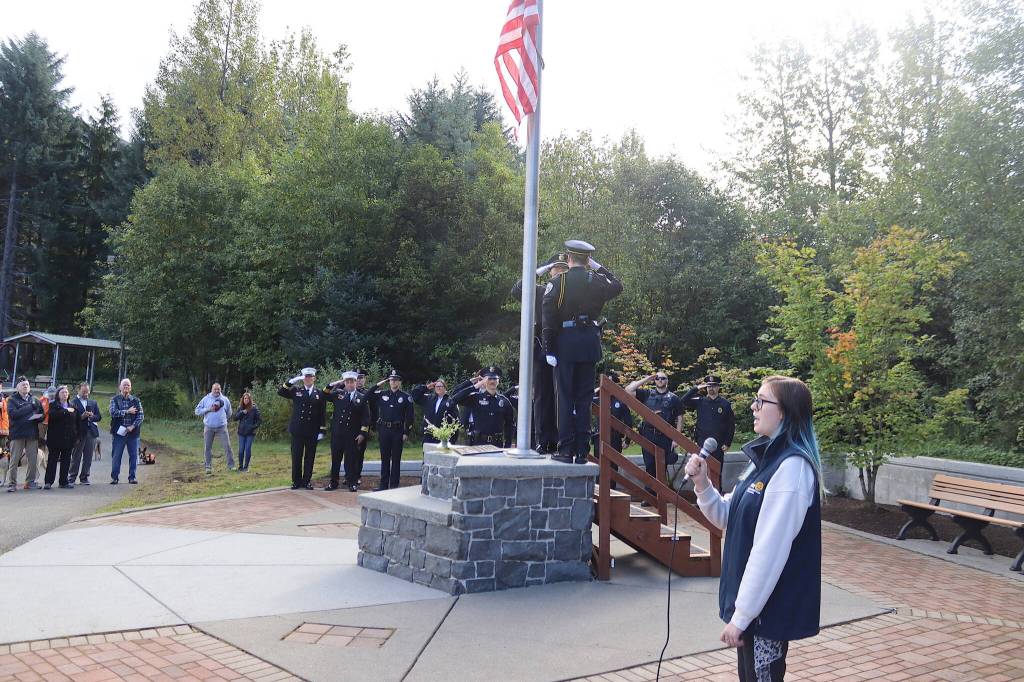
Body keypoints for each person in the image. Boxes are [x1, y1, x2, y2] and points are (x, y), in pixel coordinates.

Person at [684, 376, 823, 682]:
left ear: (784, 411)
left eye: (761, 401)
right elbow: (727, 516)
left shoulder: (792, 469)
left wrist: (742, 615)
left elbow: (769, 550)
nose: (753, 406)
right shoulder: (764, 462)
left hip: (767, 613)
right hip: (753, 611)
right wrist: (702, 484)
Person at [541, 239, 623, 463]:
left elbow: (548, 317)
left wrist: (549, 348)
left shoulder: (559, 282)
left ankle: (566, 449)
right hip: (589, 345)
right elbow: (617, 285)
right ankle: (581, 451)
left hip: (566, 345)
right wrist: (598, 267)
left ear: (568, 259)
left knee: (566, 398)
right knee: (584, 399)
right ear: (588, 260)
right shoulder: (596, 280)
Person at [511, 252, 569, 453]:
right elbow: (517, 290)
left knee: (564, 394)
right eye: (556, 268)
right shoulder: (540, 291)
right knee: (543, 394)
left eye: (564, 269)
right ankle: (544, 439)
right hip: (543, 348)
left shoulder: (573, 292)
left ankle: (564, 440)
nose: (560, 272)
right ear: (549, 271)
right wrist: (539, 270)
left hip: (567, 347)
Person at [626, 371, 684, 486]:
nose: (660, 380)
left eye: (663, 378)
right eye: (657, 378)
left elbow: (680, 418)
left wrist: (676, 439)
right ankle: (650, 494)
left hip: (665, 436)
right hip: (648, 434)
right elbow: (628, 390)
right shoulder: (647, 394)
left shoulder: (674, 398)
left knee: (662, 466)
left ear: (667, 381)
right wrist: (647, 379)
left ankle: (660, 496)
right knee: (649, 465)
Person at [278, 367, 327, 490]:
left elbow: (322, 413)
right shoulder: (296, 391)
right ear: (303, 378)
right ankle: (296, 481)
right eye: (306, 377)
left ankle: (307, 481)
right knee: (296, 457)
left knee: (310, 458)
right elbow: (281, 392)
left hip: (312, 431)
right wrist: (292, 381)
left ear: (314, 378)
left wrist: (322, 430)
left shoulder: (319, 393)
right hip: (298, 430)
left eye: (310, 377)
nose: (308, 379)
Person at [324, 371, 371, 491]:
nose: (350, 384)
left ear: (356, 382)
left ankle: (352, 483)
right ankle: (333, 483)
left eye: (352, 382)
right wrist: (333, 384)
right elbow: (324, 394)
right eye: (347, 382)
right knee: (335, 459)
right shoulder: (338, 394)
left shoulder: (361, 398)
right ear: (344, 383)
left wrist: (362, 433)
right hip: (338, 433)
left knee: (351, 460)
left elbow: (366, 418)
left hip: (352, 434)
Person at [367, 370, 413, 491]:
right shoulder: (382, 394)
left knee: (396, 459)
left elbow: (410, 417)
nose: (393, 382)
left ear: (399, 381)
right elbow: (368, 394)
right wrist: (379, 384)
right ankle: (383, 485)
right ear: (389, 381)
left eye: (396, 380)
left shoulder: (405, 397)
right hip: (384, 430)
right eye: (391, 380)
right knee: (384, 458)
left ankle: (394, 487)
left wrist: (406, 432)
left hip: (398, 431)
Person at [450, 367, 515, 448]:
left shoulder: (504, 401)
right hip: (478, 443)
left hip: (497, 445)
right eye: (489, 378)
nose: (492, 381)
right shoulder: (476, 398)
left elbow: (509, 425)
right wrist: (473, 384)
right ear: (484, 381)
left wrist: (508, 445)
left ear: (498, 381)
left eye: (495, 379)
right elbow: (454, 398)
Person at [681, 374, 735, 465]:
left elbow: (731, 425)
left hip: (718, 444)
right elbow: (683, 401)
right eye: (709, 386)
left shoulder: (725, 404)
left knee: (717, 473)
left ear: (718, 387)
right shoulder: (700, 401)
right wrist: (696, 388)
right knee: (702, 470)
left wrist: (727, 443)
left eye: (713, 385)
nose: (711, 388)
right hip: (702, 443)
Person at [592, 370, 633, 485]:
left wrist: (627, 440)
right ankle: (599, 492)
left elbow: (628, 422)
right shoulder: (597, 399)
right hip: (598, 437)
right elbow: (585, 399)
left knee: (613, 467)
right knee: (598, 466)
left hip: (615, 437)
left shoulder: (620, 401)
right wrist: (598, 390)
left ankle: (612, 493)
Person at [6, 379, 44, 491]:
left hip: (32, 434)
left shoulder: (35, 400)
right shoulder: (12, 400)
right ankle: (12, 484)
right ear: (18, 387)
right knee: (14, 460)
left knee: (33, 460)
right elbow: (13, 414)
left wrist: (39, 417)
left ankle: (30, 482)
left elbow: (41, 413)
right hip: (17, 434)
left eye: (27, 385)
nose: (25, 386)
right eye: (23, 385)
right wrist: (30, 407)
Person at [110, 378, 144, 485]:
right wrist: (127, 411)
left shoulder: (136, 400)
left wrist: (133, 426)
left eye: (128, 385)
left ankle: (132, 477)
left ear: (131, 388)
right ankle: (115, 477)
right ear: (120, 387)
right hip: (119, 433)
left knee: (134, 456)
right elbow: (113, 412)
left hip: (132, 433)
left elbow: (141, 416)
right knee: (116, 455)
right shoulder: (115, 399)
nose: (126, 387)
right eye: (124, 385)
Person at [195, 383, 234, 475]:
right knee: (207, 447)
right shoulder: (206, 399)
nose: (217, 391)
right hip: (209, 427)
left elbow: (229, 413)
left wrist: (223, 420)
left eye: (218, 389)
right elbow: (197, 411)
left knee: (227, 446)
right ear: (212, 389)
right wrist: (208, 409)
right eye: (215, 389)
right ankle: (208, 467)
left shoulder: (225, 399)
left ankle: (231, 466)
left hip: (222, 427)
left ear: (220, 390)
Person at [43, 385, 78, 489]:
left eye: (66, 392)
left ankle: (63, 482)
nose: (65, 394)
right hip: (55, 438)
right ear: (58, 394)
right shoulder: (53, 405)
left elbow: (77, 421)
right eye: (62, 392)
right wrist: (65, 411)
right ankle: (48, 482)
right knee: (52, 461)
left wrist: (76, 435)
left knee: (66, 461)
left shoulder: (73, 405)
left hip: (68, 438)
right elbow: (52, 416)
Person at [410, 377, 461, 444]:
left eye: (440, 386)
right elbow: (415, 395)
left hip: (443, 435)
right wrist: (426, 387)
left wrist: (453, 439)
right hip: (428, 435)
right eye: (436, 386)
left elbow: (455, 421)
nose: (438, 388)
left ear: (445, 388)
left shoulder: (450, 401)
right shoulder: (429, 398)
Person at [68, 382, 101, 486]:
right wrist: (81, 417)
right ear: (78, 390)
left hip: (91, 433)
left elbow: (99, 417)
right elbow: (70, 418)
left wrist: (91, 416)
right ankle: (72, 477)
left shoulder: (93, 402)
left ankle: (84, 477)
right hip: (78, 433)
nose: (86, 394)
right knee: (76, 456)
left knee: (88, 456)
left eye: (87, 392)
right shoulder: (73, 402)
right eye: (83, 392)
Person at [232, 391, 261, 472]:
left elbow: (259, 420)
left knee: (247, 449)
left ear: (250, 399)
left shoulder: (254, 408)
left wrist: (253, 427)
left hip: (250, 433)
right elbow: (235, 418)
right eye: (245, 398)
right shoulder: (240, 408)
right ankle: (240, 467)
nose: (246, 400)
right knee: (241, 450)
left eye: (247, 398)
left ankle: (246, 467)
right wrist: (241, 412)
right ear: (243, 399)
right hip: (241, 432)